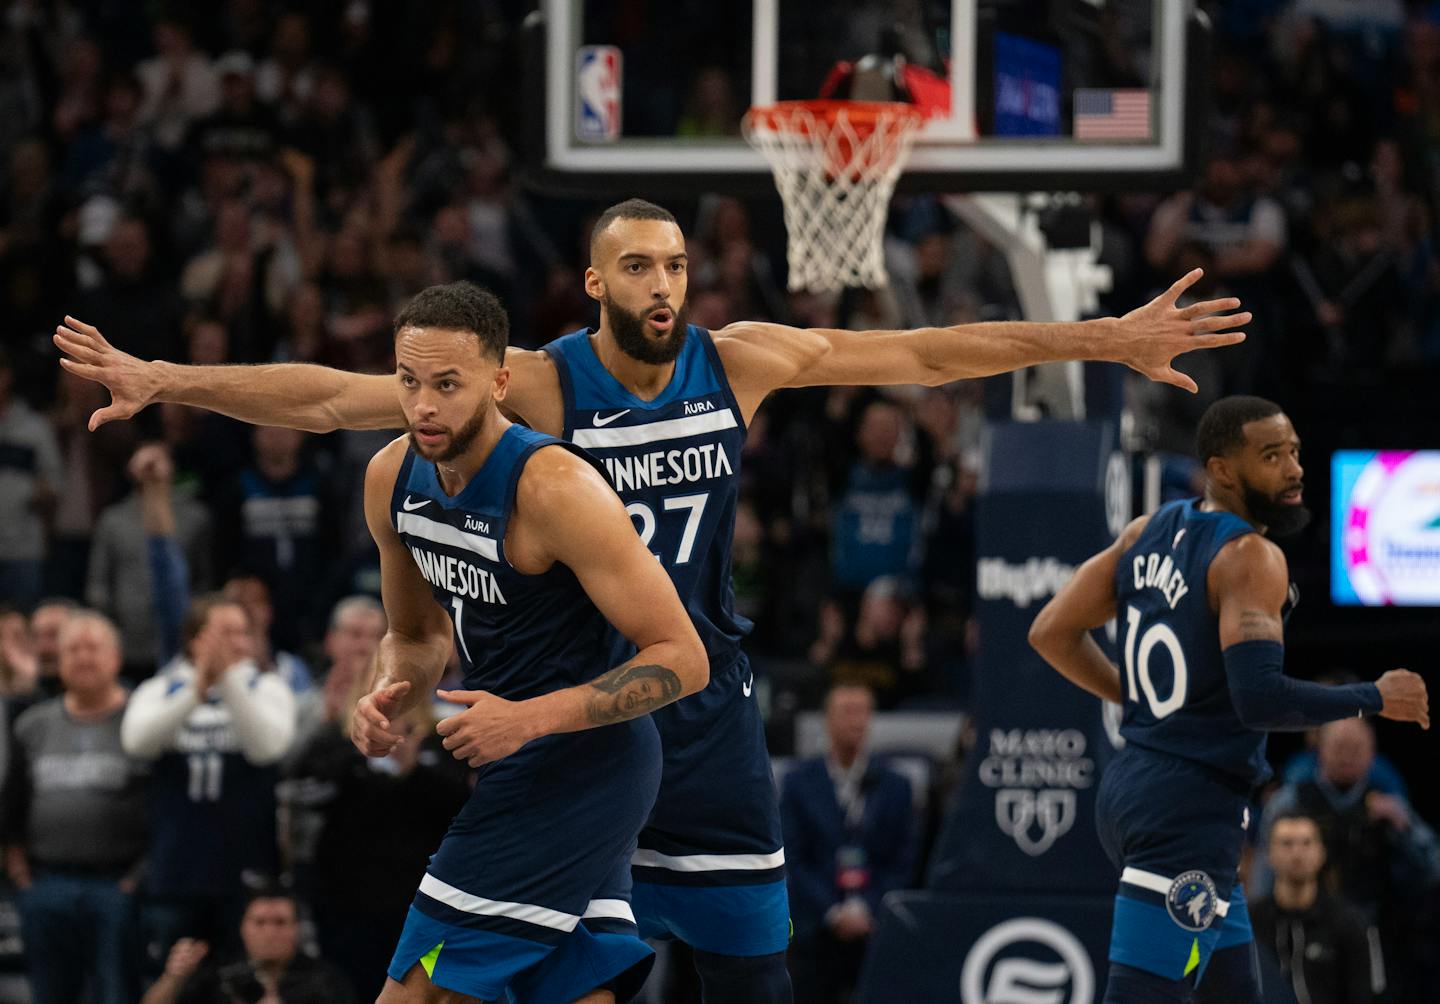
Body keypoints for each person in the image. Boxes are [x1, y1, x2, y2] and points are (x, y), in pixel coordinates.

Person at [57, 198, 1250, 1003]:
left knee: (750, 977)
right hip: (588, 714)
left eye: (676, 263)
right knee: (542, 973)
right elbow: (327, 399)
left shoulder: (744, 359)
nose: (664, 282)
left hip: (709, 707)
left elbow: (932, 354)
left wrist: (1106, 336)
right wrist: (166, 380)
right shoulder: (533, 382)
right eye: (637, 264)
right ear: (592, 282)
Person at [348, 281, 707, 1003]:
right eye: (409, 381)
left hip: (586, 762)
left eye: (448, 384)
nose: (423, 404)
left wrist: (527, 718)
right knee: (575, 993)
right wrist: (390, 692)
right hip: (512, 755)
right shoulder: (391, 478)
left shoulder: (554, 490)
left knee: (423, 989)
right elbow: (416, 635)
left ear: (500, 381)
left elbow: (684, 658)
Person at [1028, 394, 1429, 1003]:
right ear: (1221, 469)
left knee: (1235, 993)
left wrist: (1135, 698)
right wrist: (1374, 696)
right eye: (1271, 456)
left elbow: (1051, 630)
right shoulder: (1249, 557)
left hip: (1140, 786)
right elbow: (1260, 700)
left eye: (1294, 451)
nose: (1293, 469)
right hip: (1186, 811)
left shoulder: (1149, 529)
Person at [121, 594, 297, 972]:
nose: (233, 642)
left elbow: (268, 747)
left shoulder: (268, 688)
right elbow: (136, 742)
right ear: (193, 639)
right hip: (176, 873)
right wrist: (196, 692)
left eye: (239, 632)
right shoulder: (160, 688)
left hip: (247, 874)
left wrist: (227, 681)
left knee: (240, 982)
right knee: (172, 983)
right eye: (221, 632)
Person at [1, 611, 147, 1004]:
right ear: (60, 661)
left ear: (116, 658)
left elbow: (161, 806)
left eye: (93, 648)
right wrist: (18, 869)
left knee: (115, 992)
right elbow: (11, 804)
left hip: (117, 884)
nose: (83, 658)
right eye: (73, 650)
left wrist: (138, 876)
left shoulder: (141, 720)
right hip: (46, 884)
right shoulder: (33, 725)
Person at [780, 683, 914, 1004]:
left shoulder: (896, 785)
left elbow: (904, 860)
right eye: (847, 712)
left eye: (863, 712)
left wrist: (867, 907)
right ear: (827, 720)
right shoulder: (798, 783)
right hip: (816, 928)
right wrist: (833, 911)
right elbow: (793, 859)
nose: (856, 721)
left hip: (876, 926)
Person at [141, 882, 354, 1004]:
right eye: (260, 922)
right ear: (243, 927)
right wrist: (174, 978)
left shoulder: (324, 981)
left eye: (280, 922)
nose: (270, 932)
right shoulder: (219, 975)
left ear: (296, 928)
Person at [1249, 811, 1379, 1004]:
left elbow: (1367, 994)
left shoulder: (1351, 922)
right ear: (1269, 854)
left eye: (1306, 843)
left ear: (1321, 852)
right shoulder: (1249, 921)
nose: (1297, 853)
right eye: (1286, 843)